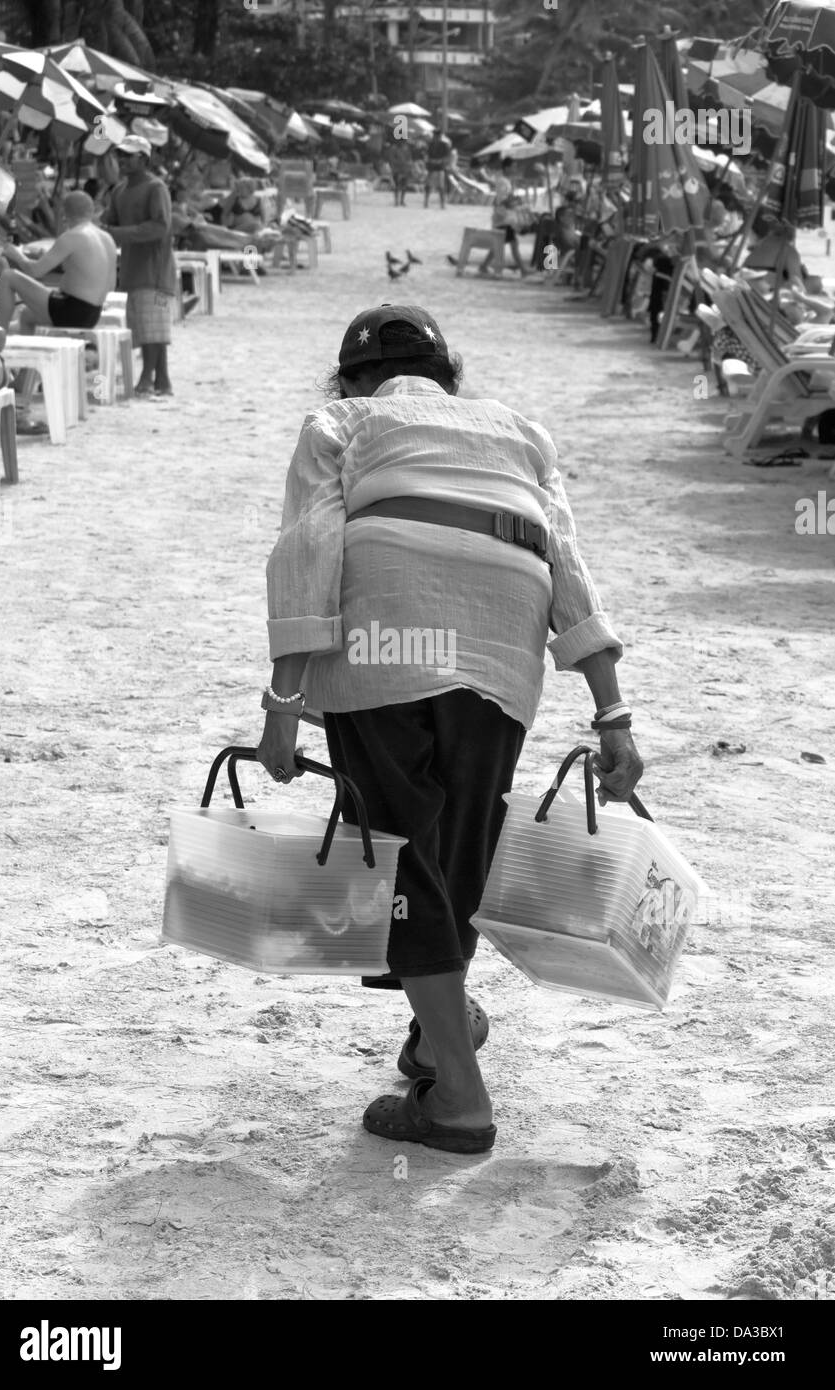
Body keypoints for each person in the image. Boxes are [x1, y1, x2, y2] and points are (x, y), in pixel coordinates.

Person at [256, 304, 643, 1154]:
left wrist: (283, 706)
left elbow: (311, 550)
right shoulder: (519, 431)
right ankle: (437, 1034)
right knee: (453, 851)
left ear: (351, 380)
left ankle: (459, 1100)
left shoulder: (340, 421)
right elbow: (565, 563)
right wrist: (612, 713)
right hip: (502, 638)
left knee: (395, 853)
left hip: (383, 638)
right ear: (448, 378)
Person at [104, 134, 177, 398]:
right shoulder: (119, 190)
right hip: (133, 269)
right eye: (120, 155)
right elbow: (109, 221)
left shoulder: (156, 188)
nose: (122, 160)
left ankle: (148, 377)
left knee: (153, 327)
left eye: (128, 155)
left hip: (155, 270)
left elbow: (160, 227)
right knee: (147, 327)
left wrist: (119, 233)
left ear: (144, 159)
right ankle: (163, 380)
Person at [0, 190, 117, 332]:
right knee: (27, 315)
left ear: (64, 214)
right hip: (94, 313)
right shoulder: (107, 238)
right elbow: (110, 286)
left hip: (72, 311)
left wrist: (16, 254)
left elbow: (35, 271)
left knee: (9, 276)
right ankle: (29, 349)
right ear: (91, 211)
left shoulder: (72, 236)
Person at [480, 156, 530, 277]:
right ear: (507, 168)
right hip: (503, 218)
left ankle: (484, 265)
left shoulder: (505, 181)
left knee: (500, 243)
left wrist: (515, 199)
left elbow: (504, 198)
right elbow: (502, 200)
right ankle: (523, 270)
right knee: (513, 244)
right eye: (514, 167)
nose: (515, 169)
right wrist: (516, 201)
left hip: (503, 218)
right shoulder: (503, 181)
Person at [424, 132, 451, 209]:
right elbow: (427, 154)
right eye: (435, 136)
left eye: (437, 136)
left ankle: (442, 203)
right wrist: (428, 161)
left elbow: (447, 156)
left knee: (441, 186)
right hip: (431, 167)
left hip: (440, 167)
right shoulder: (430, 145)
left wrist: (440, 161)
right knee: (428, 185)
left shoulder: (444, 145)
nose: (436, 138)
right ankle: (426, 201)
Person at [386, 137, 412, 207]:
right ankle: (396, 201)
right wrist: (400, 163)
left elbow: (409, 158)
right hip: (397, 169)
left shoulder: (406, 149)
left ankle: (402, 200)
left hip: (405, 169)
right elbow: (391, 159)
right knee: (397, 185)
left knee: (404, 186)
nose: (402, 143)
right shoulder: (393, 149)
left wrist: (408, 165)